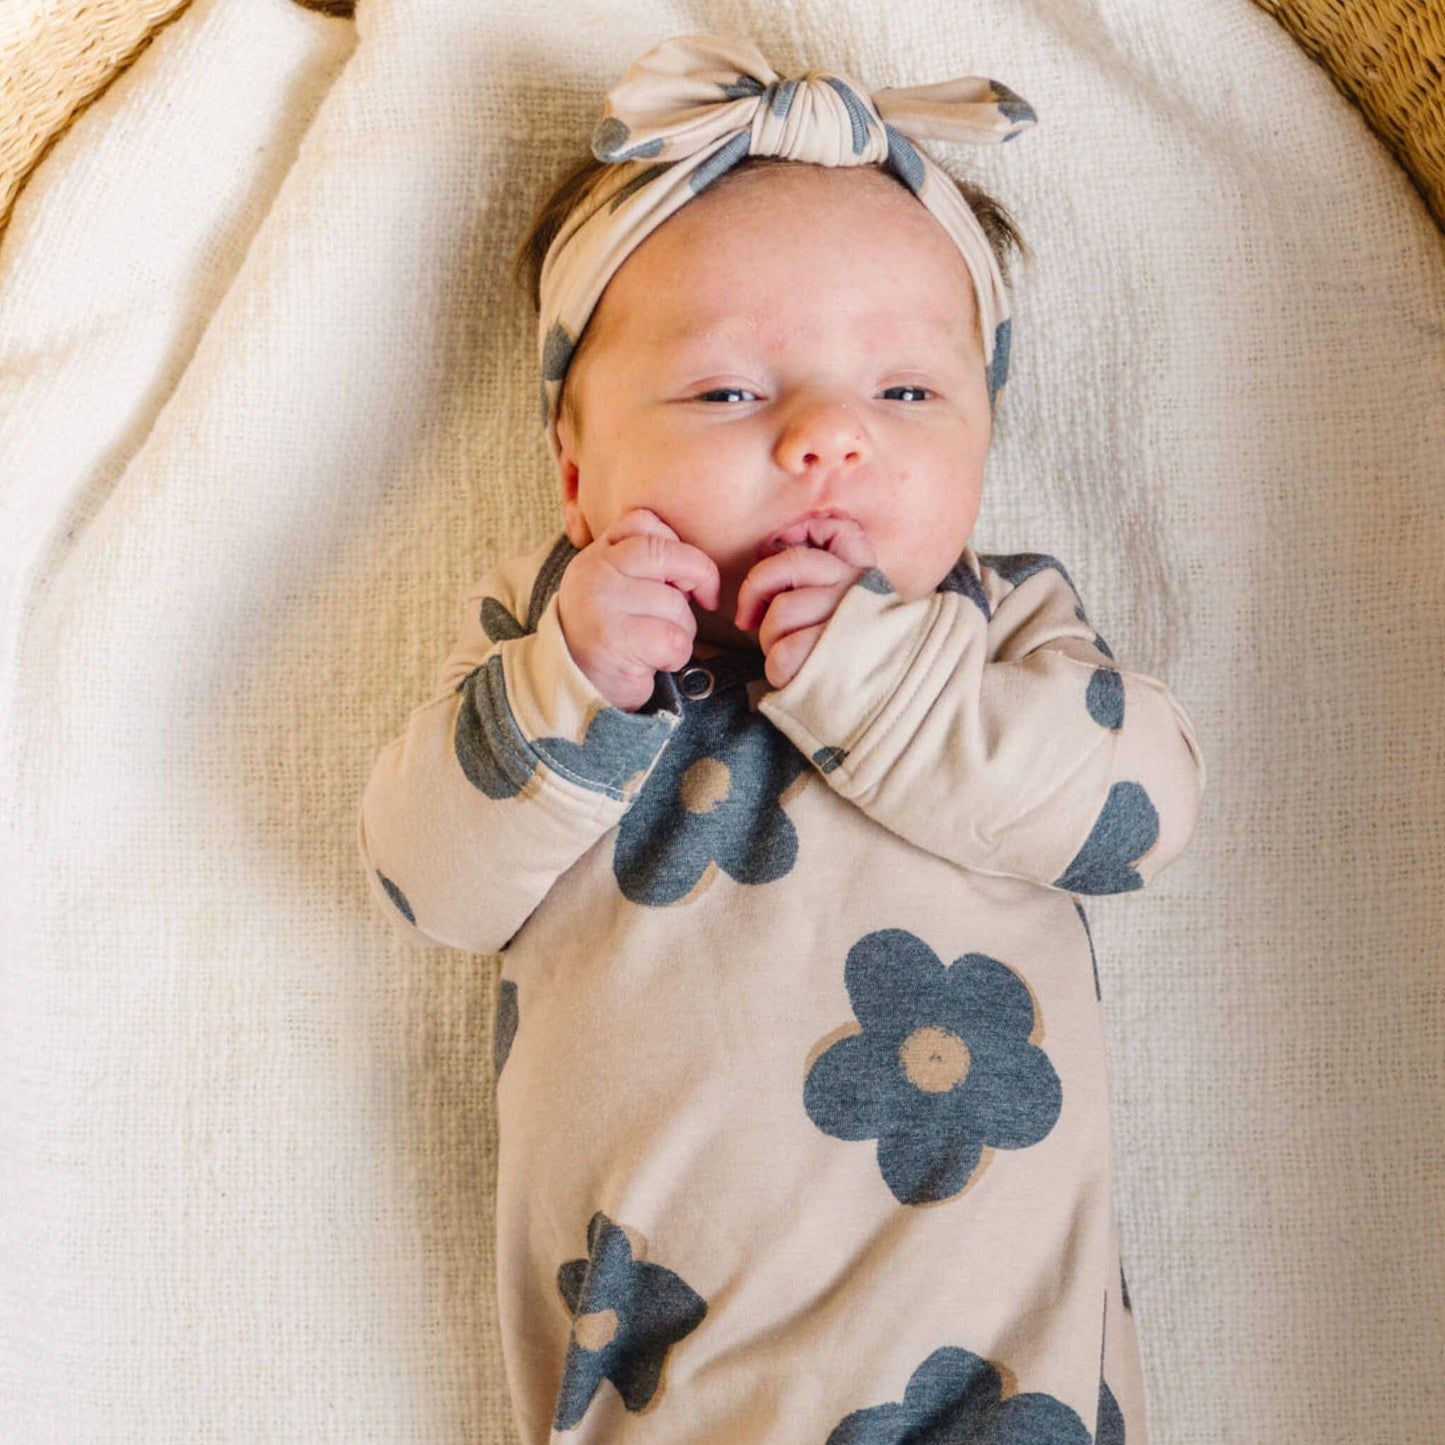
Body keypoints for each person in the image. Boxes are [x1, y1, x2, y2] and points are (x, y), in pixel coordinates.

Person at [359, 33, 1204, 1444]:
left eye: (905, 394)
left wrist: (887, 683)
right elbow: (425, 878)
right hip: (662, 1390)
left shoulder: (994, 633)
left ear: (983, 443)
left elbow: (1142, 809)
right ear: (577, 471)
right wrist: (573, 676)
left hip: (990, 1385)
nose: (826, 436)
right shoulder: (556, 648)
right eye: (727, 392)